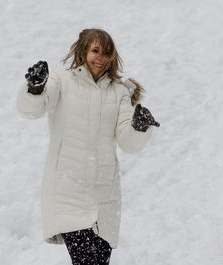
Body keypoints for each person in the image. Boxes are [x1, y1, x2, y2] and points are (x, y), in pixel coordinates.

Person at [17, 28, 159, 265]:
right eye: (95, 51)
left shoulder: (119, 92)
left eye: (106, 53)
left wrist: (138, 127)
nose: (100, 58)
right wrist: (35, 88)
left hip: (105, 197)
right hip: (69, 191)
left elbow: (128, 142)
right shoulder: (60, 80)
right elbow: (31, 109)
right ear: (83, 50)